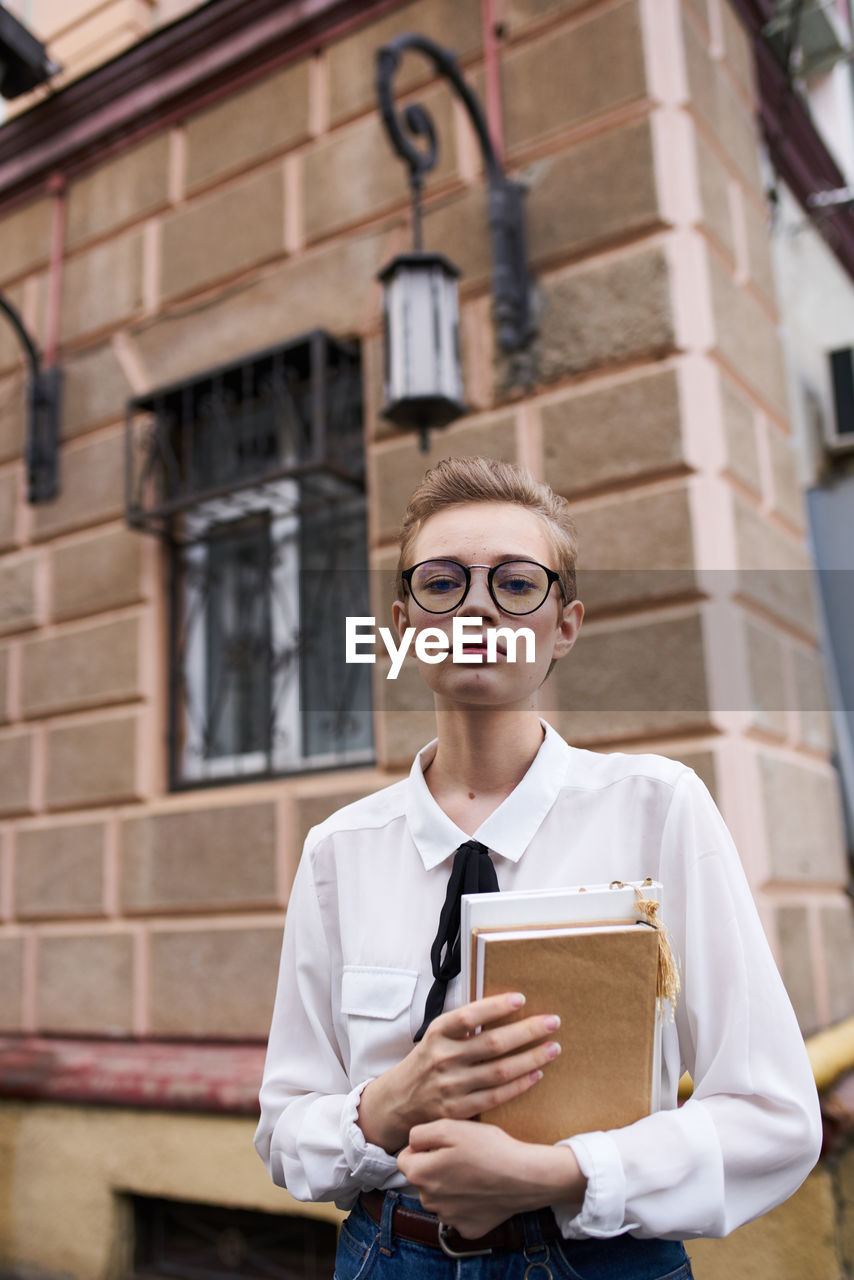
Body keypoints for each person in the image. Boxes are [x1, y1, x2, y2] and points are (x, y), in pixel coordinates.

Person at [254, 456, 821, 1280]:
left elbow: (775, 1116)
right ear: (405, 626)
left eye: (517, 584)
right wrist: (387, 1107)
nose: (479, 604)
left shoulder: (657, 806)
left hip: (600, 1259)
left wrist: (561, 1173)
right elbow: (284, 1129)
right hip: (388, 1256)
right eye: (443, 582)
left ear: (564, 625)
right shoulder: (340, 849)